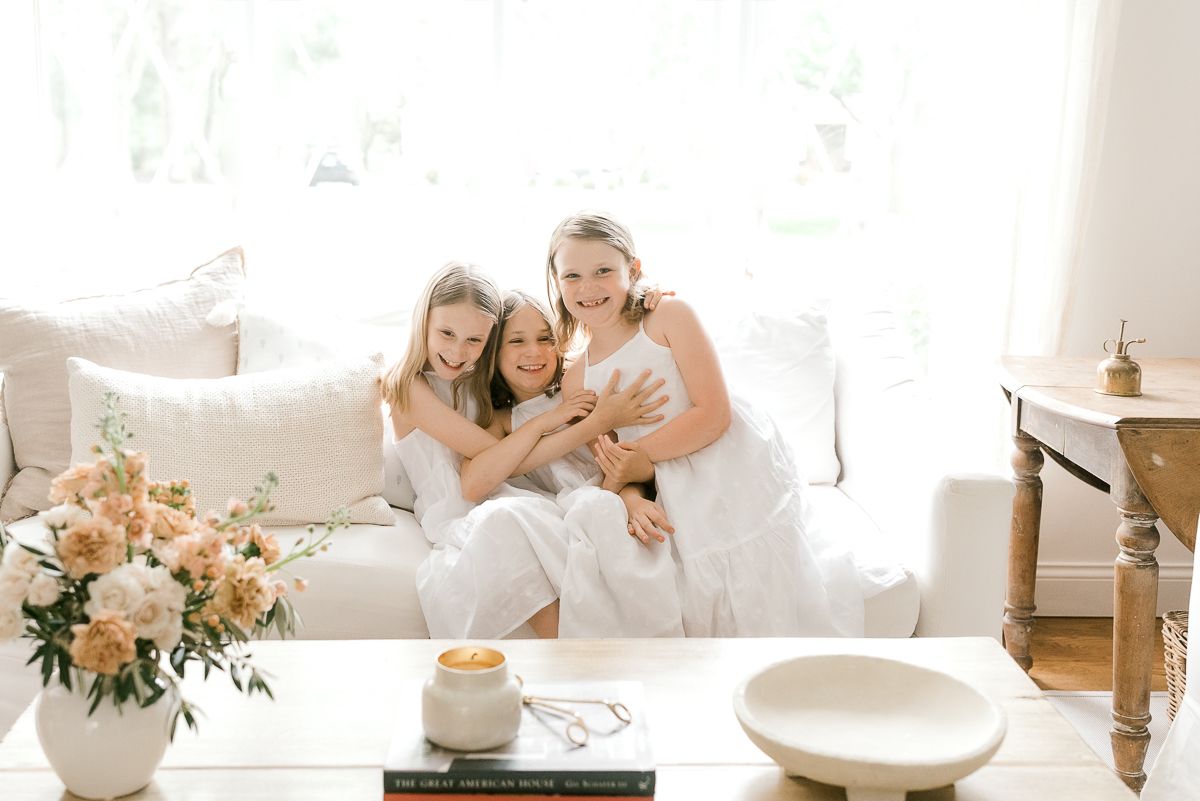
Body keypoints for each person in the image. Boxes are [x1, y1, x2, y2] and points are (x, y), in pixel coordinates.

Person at [545, 212, 866, 637]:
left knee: (748, 570)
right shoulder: (576, 378)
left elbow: (714, 413)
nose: (588, 287)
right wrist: (631, 496)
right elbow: (611, 460)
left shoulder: (668, 317)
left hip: (721, 455)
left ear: (633, 269)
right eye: (573, 276)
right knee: (678, 574)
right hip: (660, 478)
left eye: (604, 271)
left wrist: (641, 460)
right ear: (557, 282)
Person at [381, 262, 662, 639]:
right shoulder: (408, 387)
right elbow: (500, 463)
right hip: (457, 507)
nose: (457, 351)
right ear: (423, 324)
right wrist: (559, 422)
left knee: (567, 517)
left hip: (507, 492)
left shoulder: (478, 384)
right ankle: (574, 651)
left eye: (474, 341)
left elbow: (581, 342)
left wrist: (645, 297)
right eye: (446, 333)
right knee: (507, 522)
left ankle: (600, 639)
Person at [459, 290, 684, 636]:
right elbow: (474, 483)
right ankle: (573, 650)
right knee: (509, 521)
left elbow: (616, 463)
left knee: (597, 509)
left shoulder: (581, 389)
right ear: (494, 353)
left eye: (545, 338)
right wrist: (545, 421)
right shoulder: (501, 421)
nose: (534, 352)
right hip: (561, 508)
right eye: (516, 341)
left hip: (606, 494)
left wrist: (630, 498)